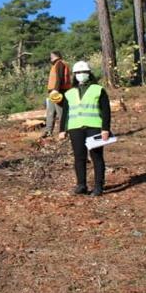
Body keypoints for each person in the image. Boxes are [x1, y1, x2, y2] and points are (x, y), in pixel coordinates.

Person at [58, 61, 110, 196]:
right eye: (78, 73)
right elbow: (66, 113)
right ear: (74, 75)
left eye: (84, 72)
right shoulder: (69, 93)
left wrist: (105, 129)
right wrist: (62, 130)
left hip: (94, 127)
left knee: (96, 156)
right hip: (75, 128)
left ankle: (99, 186)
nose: (81, 75)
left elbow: (106, 111)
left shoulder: (98, 89)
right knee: (79, 157)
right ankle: (81, 185)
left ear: (89, 73)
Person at [43, 51, 71, 138]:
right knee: (50, 112)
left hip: (59, 91)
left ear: (57, 56)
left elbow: (60, 78)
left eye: (51, 56)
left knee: (61, 112)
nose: (50, 57)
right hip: (53, 92)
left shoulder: (60, 64)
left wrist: (56, 90)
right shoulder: (56, 65)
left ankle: (65, 132)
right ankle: (48, 131)